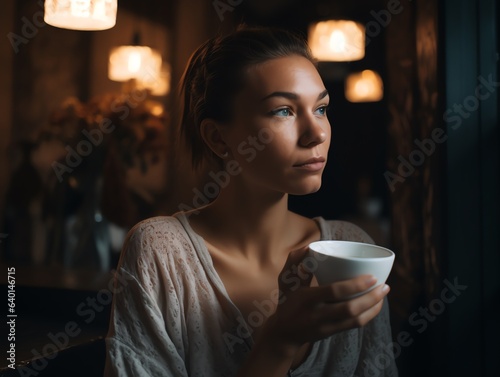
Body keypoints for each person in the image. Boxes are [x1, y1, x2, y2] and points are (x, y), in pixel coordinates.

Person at [104, 26, 398, 377]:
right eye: (283, 111)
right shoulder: (160, 252)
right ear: (217, 137)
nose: (316, 133)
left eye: (321, 108)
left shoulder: (353, 249)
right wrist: (279, 342)